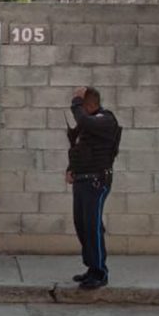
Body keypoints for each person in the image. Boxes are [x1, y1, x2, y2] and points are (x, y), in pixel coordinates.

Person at [65, 86, 122, 290]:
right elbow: (79, 148)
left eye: (82, 105)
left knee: (92, 226)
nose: (79, 110)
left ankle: (100, 272)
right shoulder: (89, 125)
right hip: (82, 180)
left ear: (89, 104)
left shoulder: (105, 120)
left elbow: (84, 120)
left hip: (96, 182)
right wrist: (70, 168)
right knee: (81, 224)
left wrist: (76, 102)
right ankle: (91, 267)